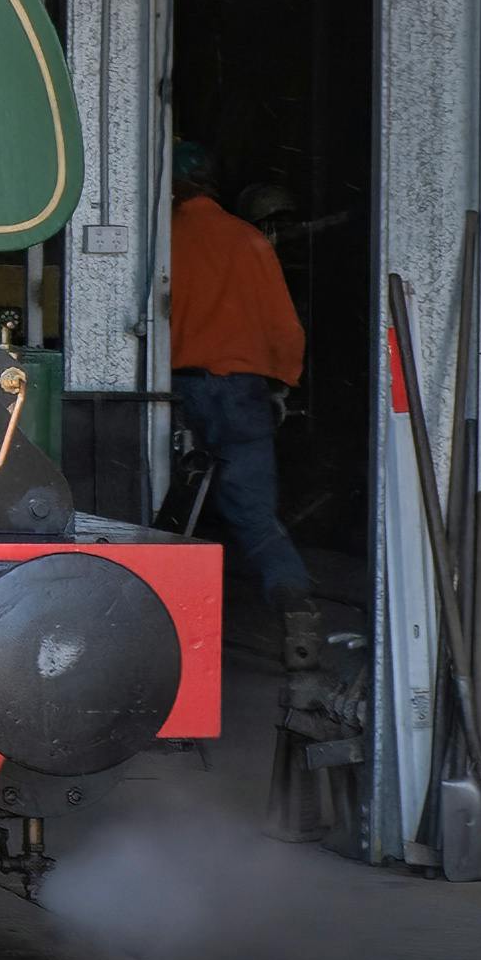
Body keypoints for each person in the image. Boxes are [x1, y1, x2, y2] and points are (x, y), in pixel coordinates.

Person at [168, 141, 319, 663]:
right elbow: (285, 326)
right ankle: (294, 604)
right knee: (256, 517)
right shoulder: (249, 239)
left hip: (177, 392)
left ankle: (163, 635)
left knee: (165, 520)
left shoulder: (161, 239)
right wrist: (280, 385)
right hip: (243, 393)